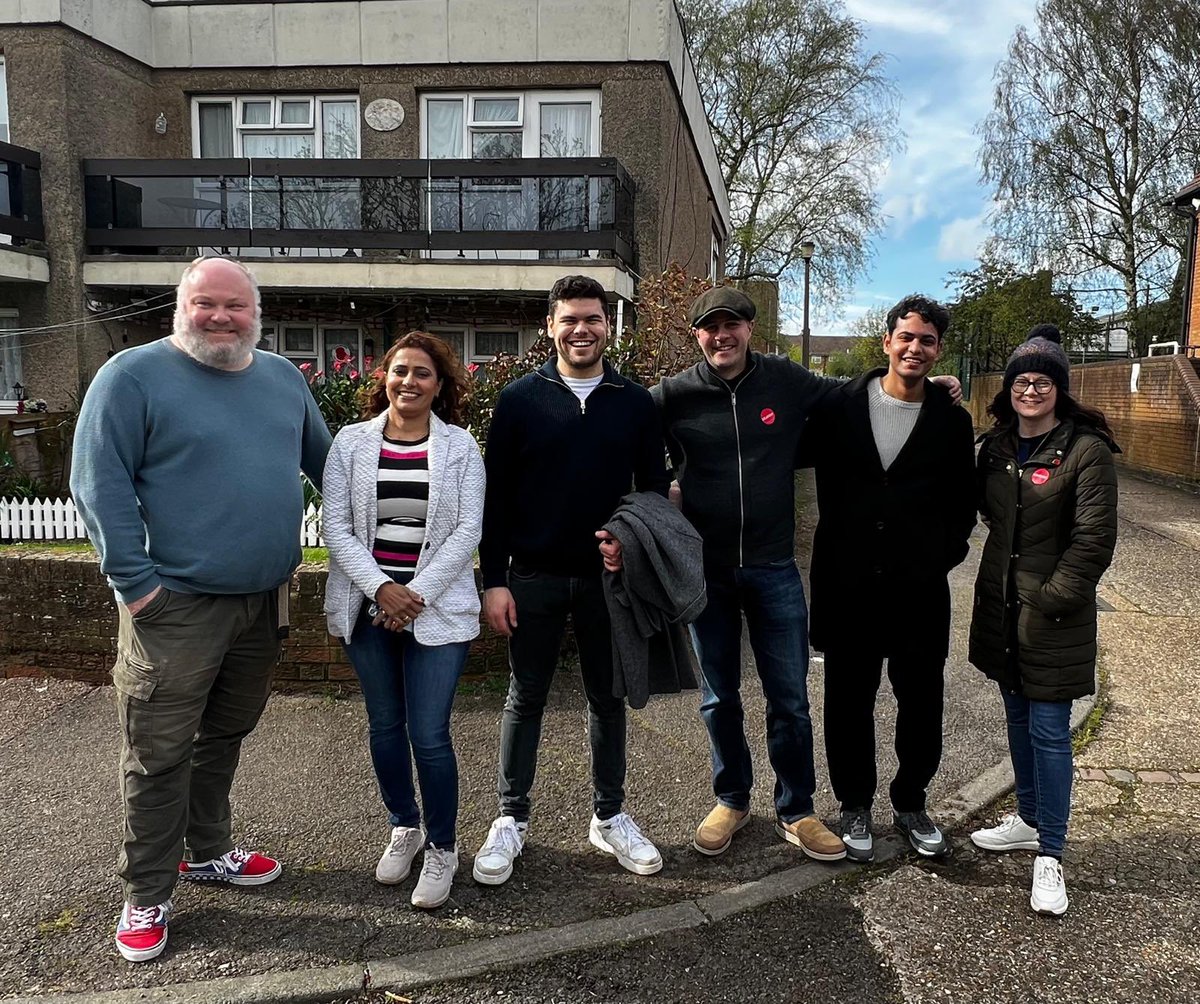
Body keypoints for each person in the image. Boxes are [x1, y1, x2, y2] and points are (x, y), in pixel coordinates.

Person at [70, 256, 332, 962]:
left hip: (262, 601)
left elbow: (330, 467)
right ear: (178, 308)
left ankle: (206, 850)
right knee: (158, 753)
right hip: (174, 608)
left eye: (236, 306)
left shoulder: (281, 379)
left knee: (224, 735)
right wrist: (138, 587)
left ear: (257, 313)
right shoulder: (131, 377)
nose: (221, 317)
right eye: (205, 303)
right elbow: (97, 484)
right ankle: (146, 891)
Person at [655, 286, 962, 860]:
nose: (722, 336)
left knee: (790, 698)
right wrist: (654, 497)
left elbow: (861, 395)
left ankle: (796, 808)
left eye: (733, 325)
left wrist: (932, 388)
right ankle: (732, 799)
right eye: (710, 327)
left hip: (775, 566)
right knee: (719, 696)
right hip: (709, 570)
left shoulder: (786, 379)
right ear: (696, 335)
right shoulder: (673, 395)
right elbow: (627, 439)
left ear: (750, 329)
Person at [472, 274, 670, 886]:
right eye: (570, 319)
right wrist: (493, 581)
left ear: (608, 326)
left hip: (606, 580)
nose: (581, 329)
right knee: (524, 697)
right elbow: (495, 498)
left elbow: (653, 492)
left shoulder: (635, 403)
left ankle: (609, 815)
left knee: (607, 699)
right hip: (531, 576)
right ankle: (511, 819)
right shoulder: (519, 400)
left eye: (592, 319)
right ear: (549, 327)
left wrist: (628, 544)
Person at [799, 294, 976, 863]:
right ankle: (854, 804)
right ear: (886, 342)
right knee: (848, 701)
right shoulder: (839, 405)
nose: (914, 348)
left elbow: (963, 505)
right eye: (906, 337)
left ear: (938, 349)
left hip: (919, 592)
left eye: (926, 340)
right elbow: (771, 448)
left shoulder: (952, 419)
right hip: (847, 586)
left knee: (921, 701)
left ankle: (911, 802)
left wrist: (938, 557)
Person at [323, 331, 484, 910]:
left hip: (436, 611)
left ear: (440, 386)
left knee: (430, 734)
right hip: (368, 609)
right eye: (399, 371)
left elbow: (469, 530)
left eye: (422, 373)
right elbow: (335, 528)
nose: (409, 381)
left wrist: (411, 596)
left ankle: (443, 845)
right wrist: (382, 591)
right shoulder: (350, 443)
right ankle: (405, 825)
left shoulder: (461, 447)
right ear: (383, 378)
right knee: (385, 726)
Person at [968, 323, 1118, 916]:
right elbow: (986, 515)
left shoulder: (1086, 452)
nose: (1031, 390)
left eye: (1043, 381)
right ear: (1008, 390)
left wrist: (1050, 598)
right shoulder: (998, 448)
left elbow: (1093, 542)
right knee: (1018, 718)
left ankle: (1050, 853)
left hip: (1053, 618)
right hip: (1002, 613)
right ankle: (1029, 819)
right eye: (1022, 381)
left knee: (1052, 733)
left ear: (1060, 388)